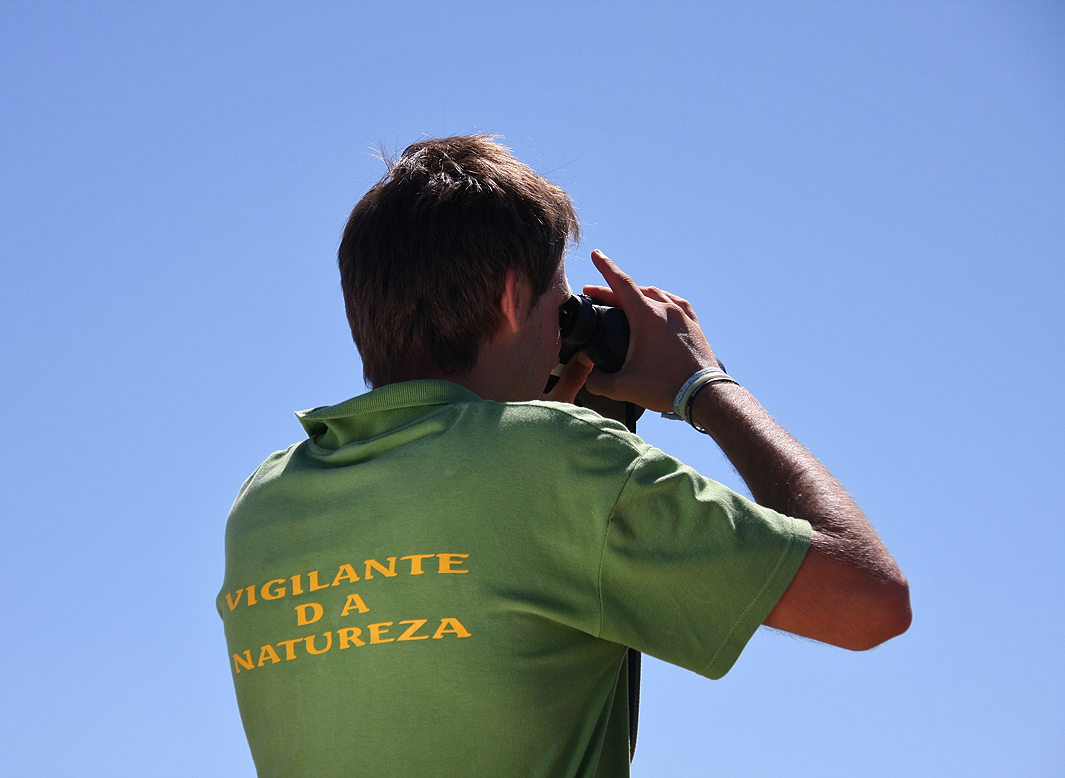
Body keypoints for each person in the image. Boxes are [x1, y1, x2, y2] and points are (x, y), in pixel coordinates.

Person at [217, 135, 911, 777]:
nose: (562, 332)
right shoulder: (560, 466)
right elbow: (870, 602)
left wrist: (556, 428)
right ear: (510, 296)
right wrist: (702, 384)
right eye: (561, 307)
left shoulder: (265, 500)